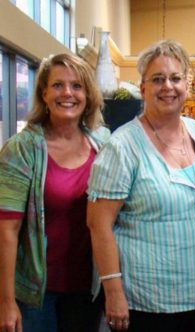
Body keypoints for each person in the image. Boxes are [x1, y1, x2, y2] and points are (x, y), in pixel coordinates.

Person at [87, 40, 195, 332]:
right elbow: (98, 224)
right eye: (157, 79)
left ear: (187, 84)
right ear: (143, 88)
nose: (167, 86)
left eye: (175, 78)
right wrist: (114, 291)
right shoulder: (122, 147)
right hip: (144, 301)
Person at [0, 53, 109, 332]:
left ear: (88, 95)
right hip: (36, 296)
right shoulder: (21, 149)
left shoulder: (103, 144)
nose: (67, 93)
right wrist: (5, 301)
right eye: (58, 85)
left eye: (77, 86)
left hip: (87, 289)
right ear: (44, 93)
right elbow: (6, 230)